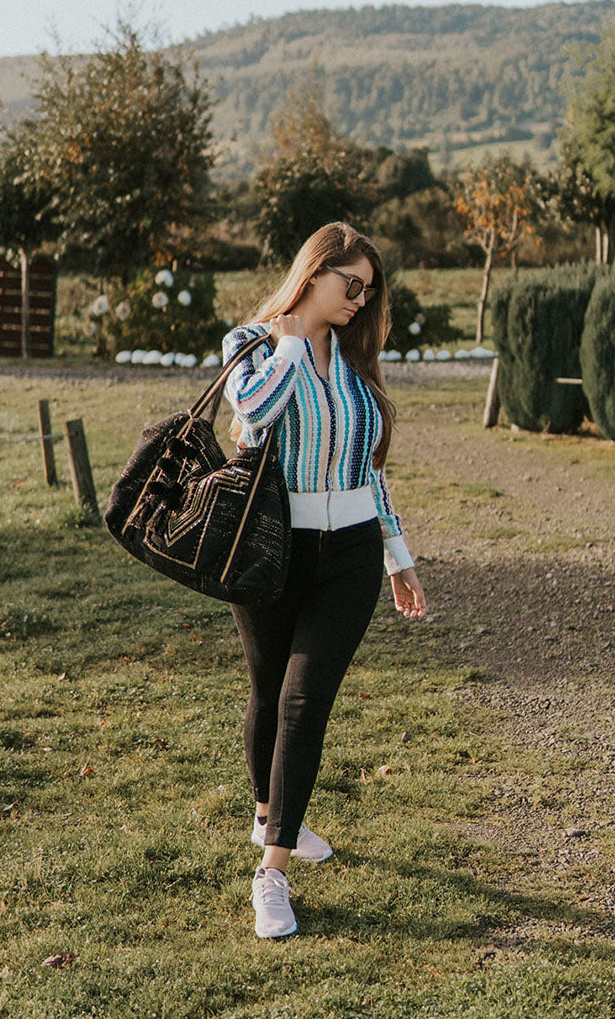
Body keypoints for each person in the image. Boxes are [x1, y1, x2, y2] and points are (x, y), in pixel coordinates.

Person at [222, 221, 427, 939]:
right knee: (267, 692)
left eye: (368, 291)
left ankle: (271, 871)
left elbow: (371, 468)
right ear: (313, 273)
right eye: (351, 284)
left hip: (351, 555)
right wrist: (288, 343)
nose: (359, 300)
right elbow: (253, 410)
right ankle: (269, 814)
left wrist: (398, 556)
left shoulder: (353, 358)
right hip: (272, 553)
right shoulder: (249, 344)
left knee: (304, 701)